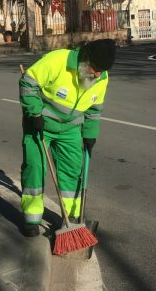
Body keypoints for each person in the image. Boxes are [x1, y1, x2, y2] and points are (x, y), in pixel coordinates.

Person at [18, 38, 116, 237]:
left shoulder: (101, 77)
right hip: (40, 124)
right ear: (85, 58)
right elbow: (28, 83)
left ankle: (70, 218)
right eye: (95, 68)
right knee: (35, 167)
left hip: (71, 128)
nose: (97, 74)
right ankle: (31, 218)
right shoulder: (58, 60)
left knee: (72, 170)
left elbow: (94, 109)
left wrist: (90, 134)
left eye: (101, 71)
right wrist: (35, 113)